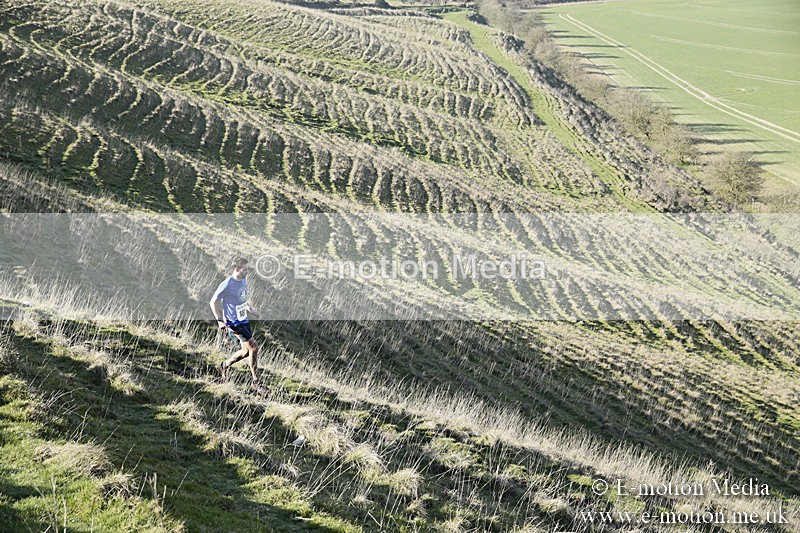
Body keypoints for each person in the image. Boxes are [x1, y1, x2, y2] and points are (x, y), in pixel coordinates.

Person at [210, 257, 262, 384]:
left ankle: (223, 365)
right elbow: (213, 302)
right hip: (234, 322)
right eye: (245, 269)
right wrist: (219, 320)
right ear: (236, 268)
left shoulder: (243, 280)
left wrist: (250, 309)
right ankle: (256, 381)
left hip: (243, 320)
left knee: (245, 352)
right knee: (254, 348)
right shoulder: (227, 284)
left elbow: (242, 298)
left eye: (248, 269)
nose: (247, 272)